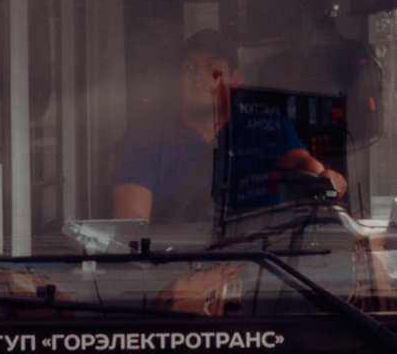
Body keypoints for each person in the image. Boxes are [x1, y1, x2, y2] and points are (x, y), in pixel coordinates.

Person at [110, 31, 342, 224]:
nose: (200, 76)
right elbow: (131, 224)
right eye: (190, 67)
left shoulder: (265, 126)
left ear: (235, 79)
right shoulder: (143, 139)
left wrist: (325, 178)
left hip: (260, 266)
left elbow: (303, 164)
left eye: (213, 68)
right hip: (177, 270)